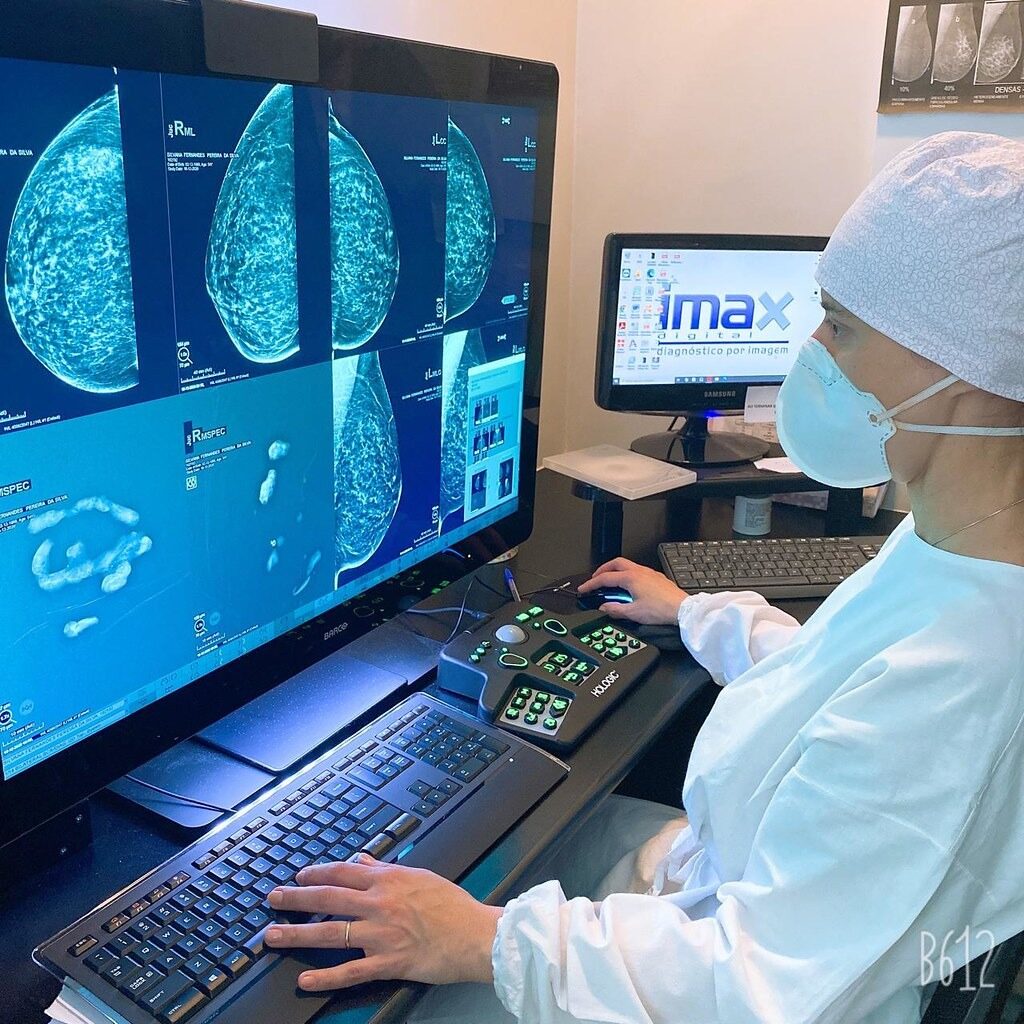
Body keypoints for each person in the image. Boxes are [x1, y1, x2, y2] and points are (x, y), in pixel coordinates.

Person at [263, 131, 1024, 1023]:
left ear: (964, 368)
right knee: (520, 850)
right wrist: (702, 614)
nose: (814, 346)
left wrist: (482, 941)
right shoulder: (957, 538)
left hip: (731, 979)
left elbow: (760, 990)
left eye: (842, 326)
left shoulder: (970, 672)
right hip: (716, 887)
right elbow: (841, 685)